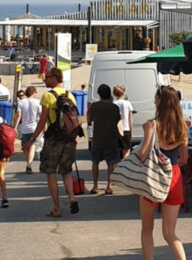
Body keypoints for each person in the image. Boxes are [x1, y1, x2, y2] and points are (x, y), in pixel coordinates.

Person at [137, 86, 192, 260]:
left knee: (147, 227)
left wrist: (146, 132)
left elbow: (143, 154)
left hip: (154, 176)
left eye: (155, 98)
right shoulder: (183, 127)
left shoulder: (153, 125)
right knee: (170, 232)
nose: (153, 101)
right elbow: (184, 159)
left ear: (161, 101)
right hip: (174, 175)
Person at [30, 67, 80, 217]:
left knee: (50, 172)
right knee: (66, 171)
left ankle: (57, 208)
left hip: (53, 140)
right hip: (69, 139)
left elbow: (42, 121)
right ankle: (71, 198)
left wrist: (32, 139)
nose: (44, 80)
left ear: (55, 78)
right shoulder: (69, 95)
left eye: (47, 77)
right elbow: (74, 119)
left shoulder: (47, 96)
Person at [89, 84, 122, 194]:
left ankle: (95, 186)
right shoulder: (114, 108)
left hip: (97, 139)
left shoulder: (94, 106)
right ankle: (108, 186)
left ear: (99, 94)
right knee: (110, 164)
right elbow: (118, 121)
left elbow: (90, 119)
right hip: (111, 139)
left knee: (95, 163)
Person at [14, 86, 42, 174]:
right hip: (34, 128)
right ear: (33, 93)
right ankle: (29, 165)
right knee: (32, 147)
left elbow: (19, 115)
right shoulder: (37, 102)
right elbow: (41, 116)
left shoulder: (21, 102)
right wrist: (43, 127)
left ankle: (28, 163)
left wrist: (15, 127)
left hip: (24, 128)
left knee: (26, 148)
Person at [113, 84, 134, 158]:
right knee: (126, 151)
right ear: (123, 93)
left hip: (115, 130)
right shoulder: (127, 103)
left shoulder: (113, 104)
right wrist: (131, 131)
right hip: (125, 129)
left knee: (115, 153)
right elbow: (130, 119)